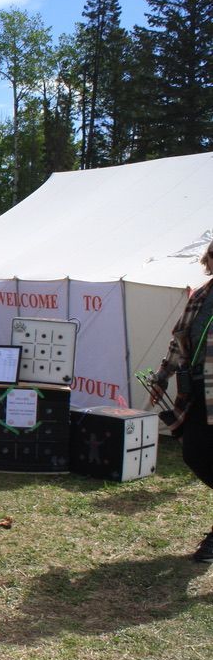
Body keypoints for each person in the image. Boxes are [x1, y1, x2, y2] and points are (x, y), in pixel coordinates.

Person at [150, 238, 213, 562]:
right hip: (199, 390)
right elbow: (179, 341)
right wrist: (162, 377)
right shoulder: (200, 296)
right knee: (194, 452)